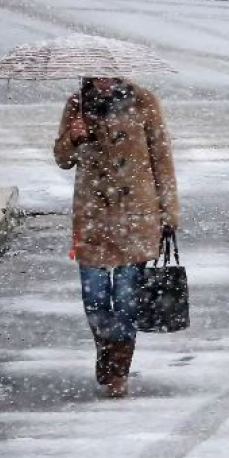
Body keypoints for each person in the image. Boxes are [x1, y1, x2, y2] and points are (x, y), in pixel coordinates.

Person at [53, 77, 178, 397]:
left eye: (108, 72)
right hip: (92, 216)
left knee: (125, 299)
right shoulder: (77, 104)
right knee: (94, 299)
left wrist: (168, 213)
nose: (103, 78)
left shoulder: (144, 101)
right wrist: (73, 137)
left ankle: (116, 371)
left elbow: (161, 158)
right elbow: (62, 158)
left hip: (136, 214)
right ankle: (108, 353)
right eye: (97, 73)